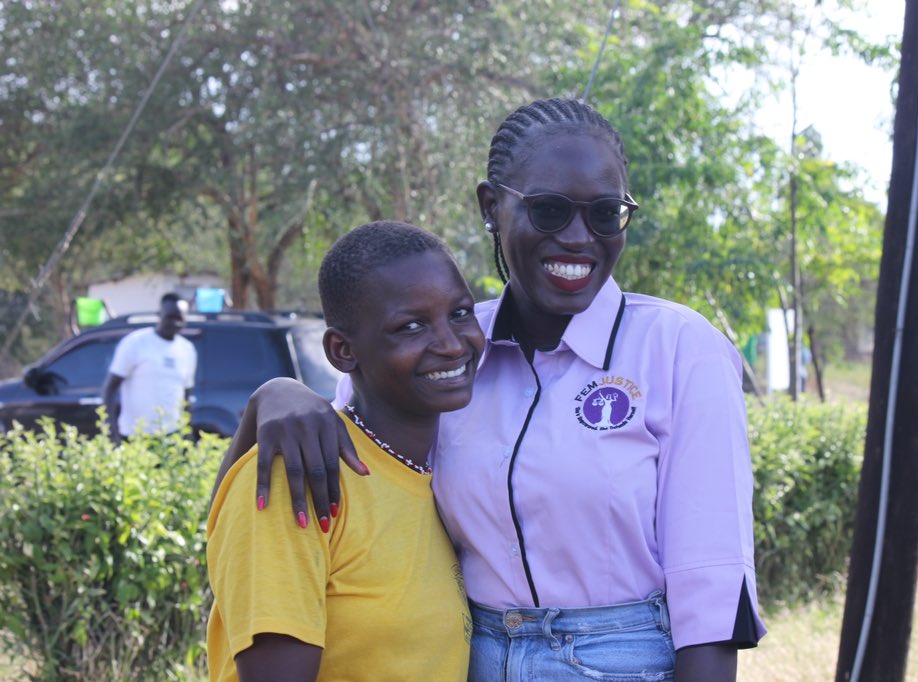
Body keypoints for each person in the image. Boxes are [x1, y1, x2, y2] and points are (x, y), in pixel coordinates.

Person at [223, 98, 766, 680]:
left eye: (606, 214)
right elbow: (347, 457)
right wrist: (276, 394)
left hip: (627, 660)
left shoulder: (678, 346)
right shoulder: (449, 351)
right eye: (550, 211)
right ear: (492, 206)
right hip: (469, 658)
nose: (580, 238)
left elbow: (712, 585)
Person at [206, 221, 482, 681]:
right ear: (342, 351)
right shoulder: (297, 473)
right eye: (410, 326)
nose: (452, 345)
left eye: (460, 313)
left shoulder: (444, 477)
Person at [102, 292, 197, 442]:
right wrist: (112, 433)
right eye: (170, 317)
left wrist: (187, 433)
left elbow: (186, 395)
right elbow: (110, 388)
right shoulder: (136, 343)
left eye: (179, 318)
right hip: (135, 436)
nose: (174, 323)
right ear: (159, 315)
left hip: (171, 436)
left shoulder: (187, 349)